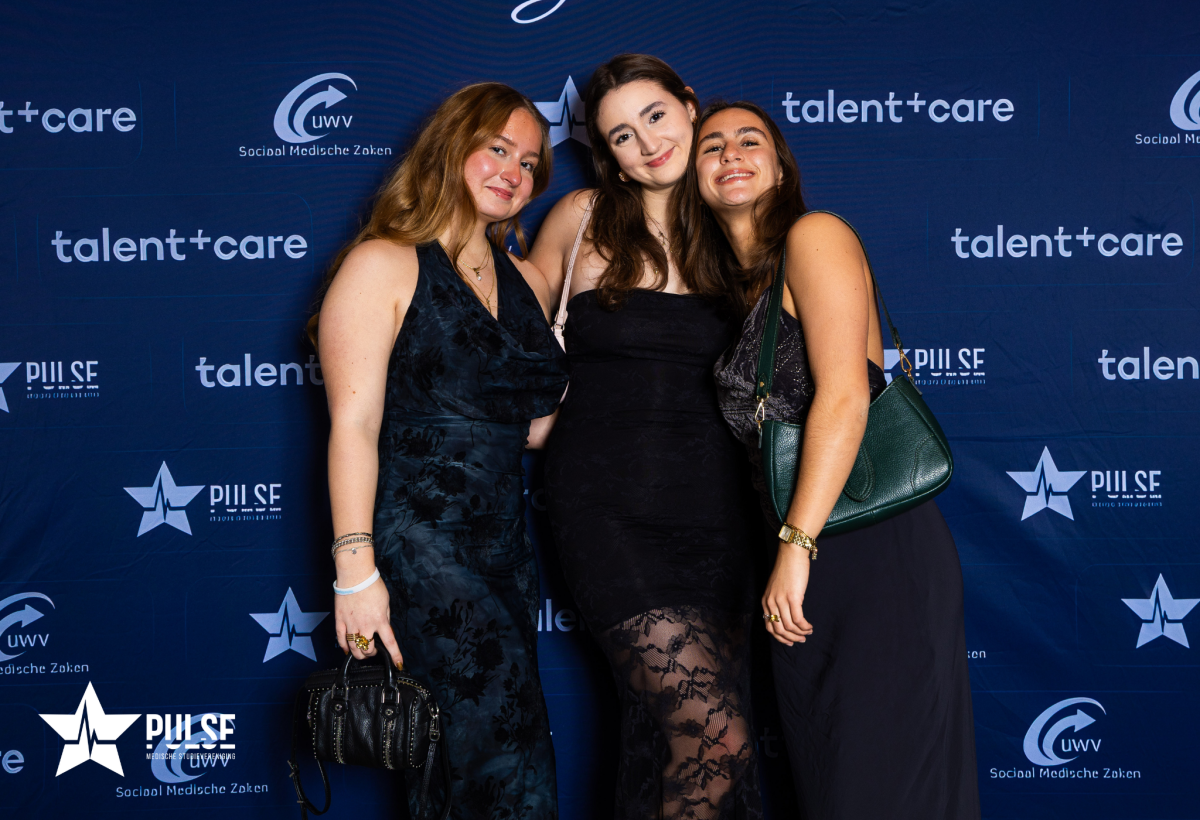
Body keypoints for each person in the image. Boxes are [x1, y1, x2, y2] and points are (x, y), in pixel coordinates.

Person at [692, 101, 981, 820]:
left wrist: (796, 545)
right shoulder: (742, 284)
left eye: (749, 141)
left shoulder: (814, 235)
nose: (730, 154)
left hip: (865, 546)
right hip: (806, 551)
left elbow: (847, 395)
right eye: (711, 146)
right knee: (836, 781)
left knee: (886, 780)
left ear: (780, 166)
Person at [311, 83, 567, 819]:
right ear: (451, 148)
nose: (513, 172)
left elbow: (530, 429)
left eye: (528, 162)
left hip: (505, 548)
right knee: (483, 751)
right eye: (496, 149)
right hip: (422, 544)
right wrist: (355, 572)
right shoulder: (384, 262)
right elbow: (354, 425)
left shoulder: (521, 277)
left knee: (489, 751)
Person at [529, 55, 762, 819]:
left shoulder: (743, 226)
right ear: (607, 153)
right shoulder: (581, 218)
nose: (648, 143)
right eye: (621, 135)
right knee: (715, 739)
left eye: (656, 116)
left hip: (723, 514)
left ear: (690, 107)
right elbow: (500, 327)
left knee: (658, 740)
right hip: (608, 511)